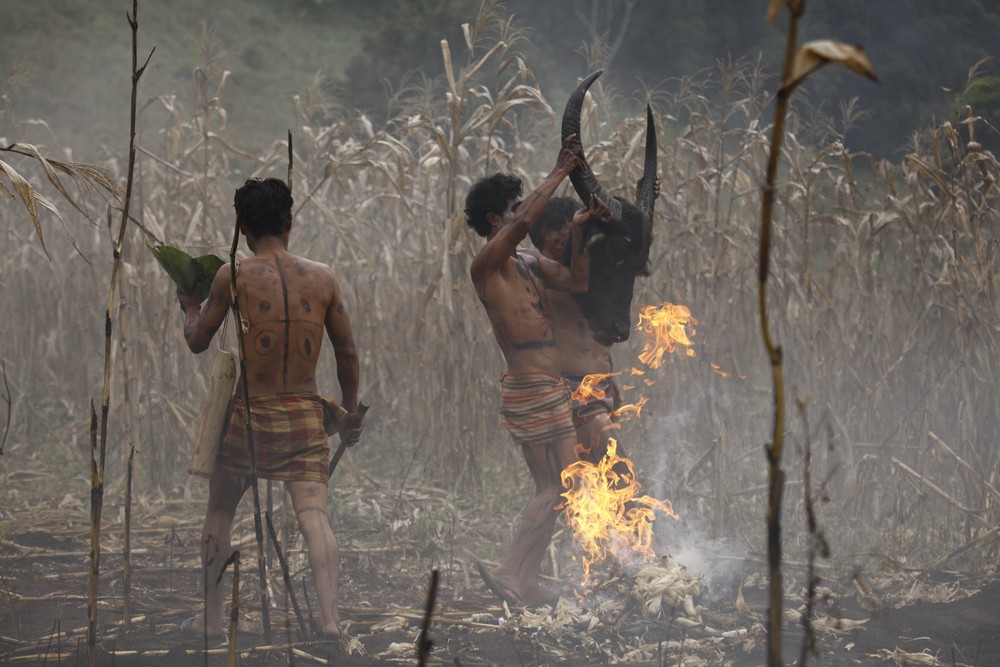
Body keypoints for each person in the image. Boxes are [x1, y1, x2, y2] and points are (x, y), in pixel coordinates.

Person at [176, 177, 363, 641]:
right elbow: (348, 354)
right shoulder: (322, 277)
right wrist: (349, 414)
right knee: (314, 516)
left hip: (251, 419)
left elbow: (199, 342)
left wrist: (188, 309)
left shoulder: (232, 275)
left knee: (220, 510)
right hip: (303, 417)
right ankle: (330, 621)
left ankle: (214, 620)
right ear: (289, 221)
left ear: (241, 227)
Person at [465, 137, 609, 607]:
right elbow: (528, 220)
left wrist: (583, 230)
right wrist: (559, 171)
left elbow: (580, 281)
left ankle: (525, 582)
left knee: (562, 489)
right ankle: (511, 570)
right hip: (530, 386)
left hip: (551, 387)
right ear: (495, 218)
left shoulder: (527, 262)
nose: (521, 214)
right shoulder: (488, 264)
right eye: (512, 207)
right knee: (558, 486)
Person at [527, 178, 659, 465]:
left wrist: (643, 207)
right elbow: (581, 284)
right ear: (549, 233)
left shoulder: (581, 270)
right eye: (572, 227)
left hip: (601, 389)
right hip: (575, 392)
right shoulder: (542, 273)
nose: (582, 236)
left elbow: (628, 257)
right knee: (620, 473)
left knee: (591, 485)